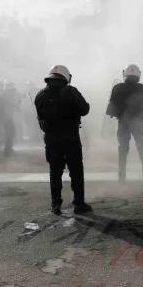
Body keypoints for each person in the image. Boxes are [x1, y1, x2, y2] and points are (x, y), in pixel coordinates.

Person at [35, 65, 90, 215]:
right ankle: (79, 203)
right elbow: (85, 109)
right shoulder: (70, 91)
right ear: (66, 77)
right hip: (71, 138)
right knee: (76, 170)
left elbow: (41, 118)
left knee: (55, 171)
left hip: (52, 139)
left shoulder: (40, 95)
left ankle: (56, 204)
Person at [106, 64, 143, 182]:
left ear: (125, 74)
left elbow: (112, 107)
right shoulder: (141, 88)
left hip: (123, 123)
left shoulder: (117, 88)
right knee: (141, 147)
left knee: (123, 149)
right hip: (137, 123)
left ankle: (121, 176)